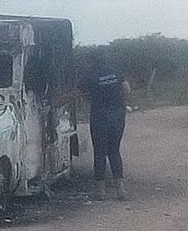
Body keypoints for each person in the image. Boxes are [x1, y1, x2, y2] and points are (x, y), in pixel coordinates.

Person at [55, 48, 131, 200]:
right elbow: (126, 89)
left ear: (91, 61)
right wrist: (118, 99)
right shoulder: (114, 70)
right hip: (117, 115)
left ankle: (100, 192)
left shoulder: (89, 76)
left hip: (100, 116)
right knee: (114, 151)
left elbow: (75, 95)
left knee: (100, 152)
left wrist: (56, 103)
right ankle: (120, 190)